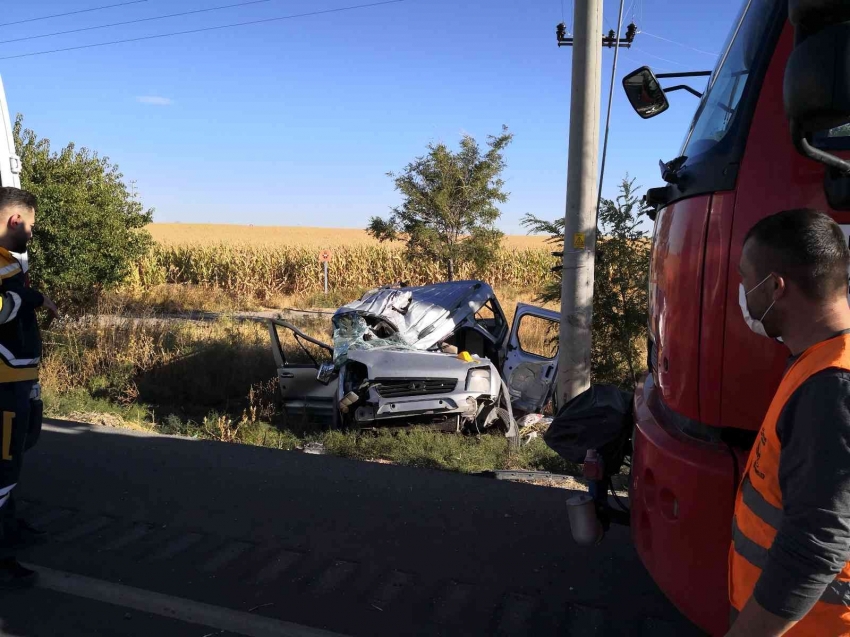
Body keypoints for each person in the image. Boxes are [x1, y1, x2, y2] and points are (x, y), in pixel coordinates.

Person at [727, 208, 850, 636]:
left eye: (745, 279)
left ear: (776, 287)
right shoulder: (820, 360)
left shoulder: (834, 388)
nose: (742, 291)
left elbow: (816, 548)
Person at [0, 188, 58, 589]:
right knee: (0, 474)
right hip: (1, 388)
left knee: (9, 470)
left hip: (17, 383)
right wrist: (30, 297)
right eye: (32, 226)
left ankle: (9, 527)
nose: (33, 234)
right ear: (14, 220)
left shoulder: (8, 264)